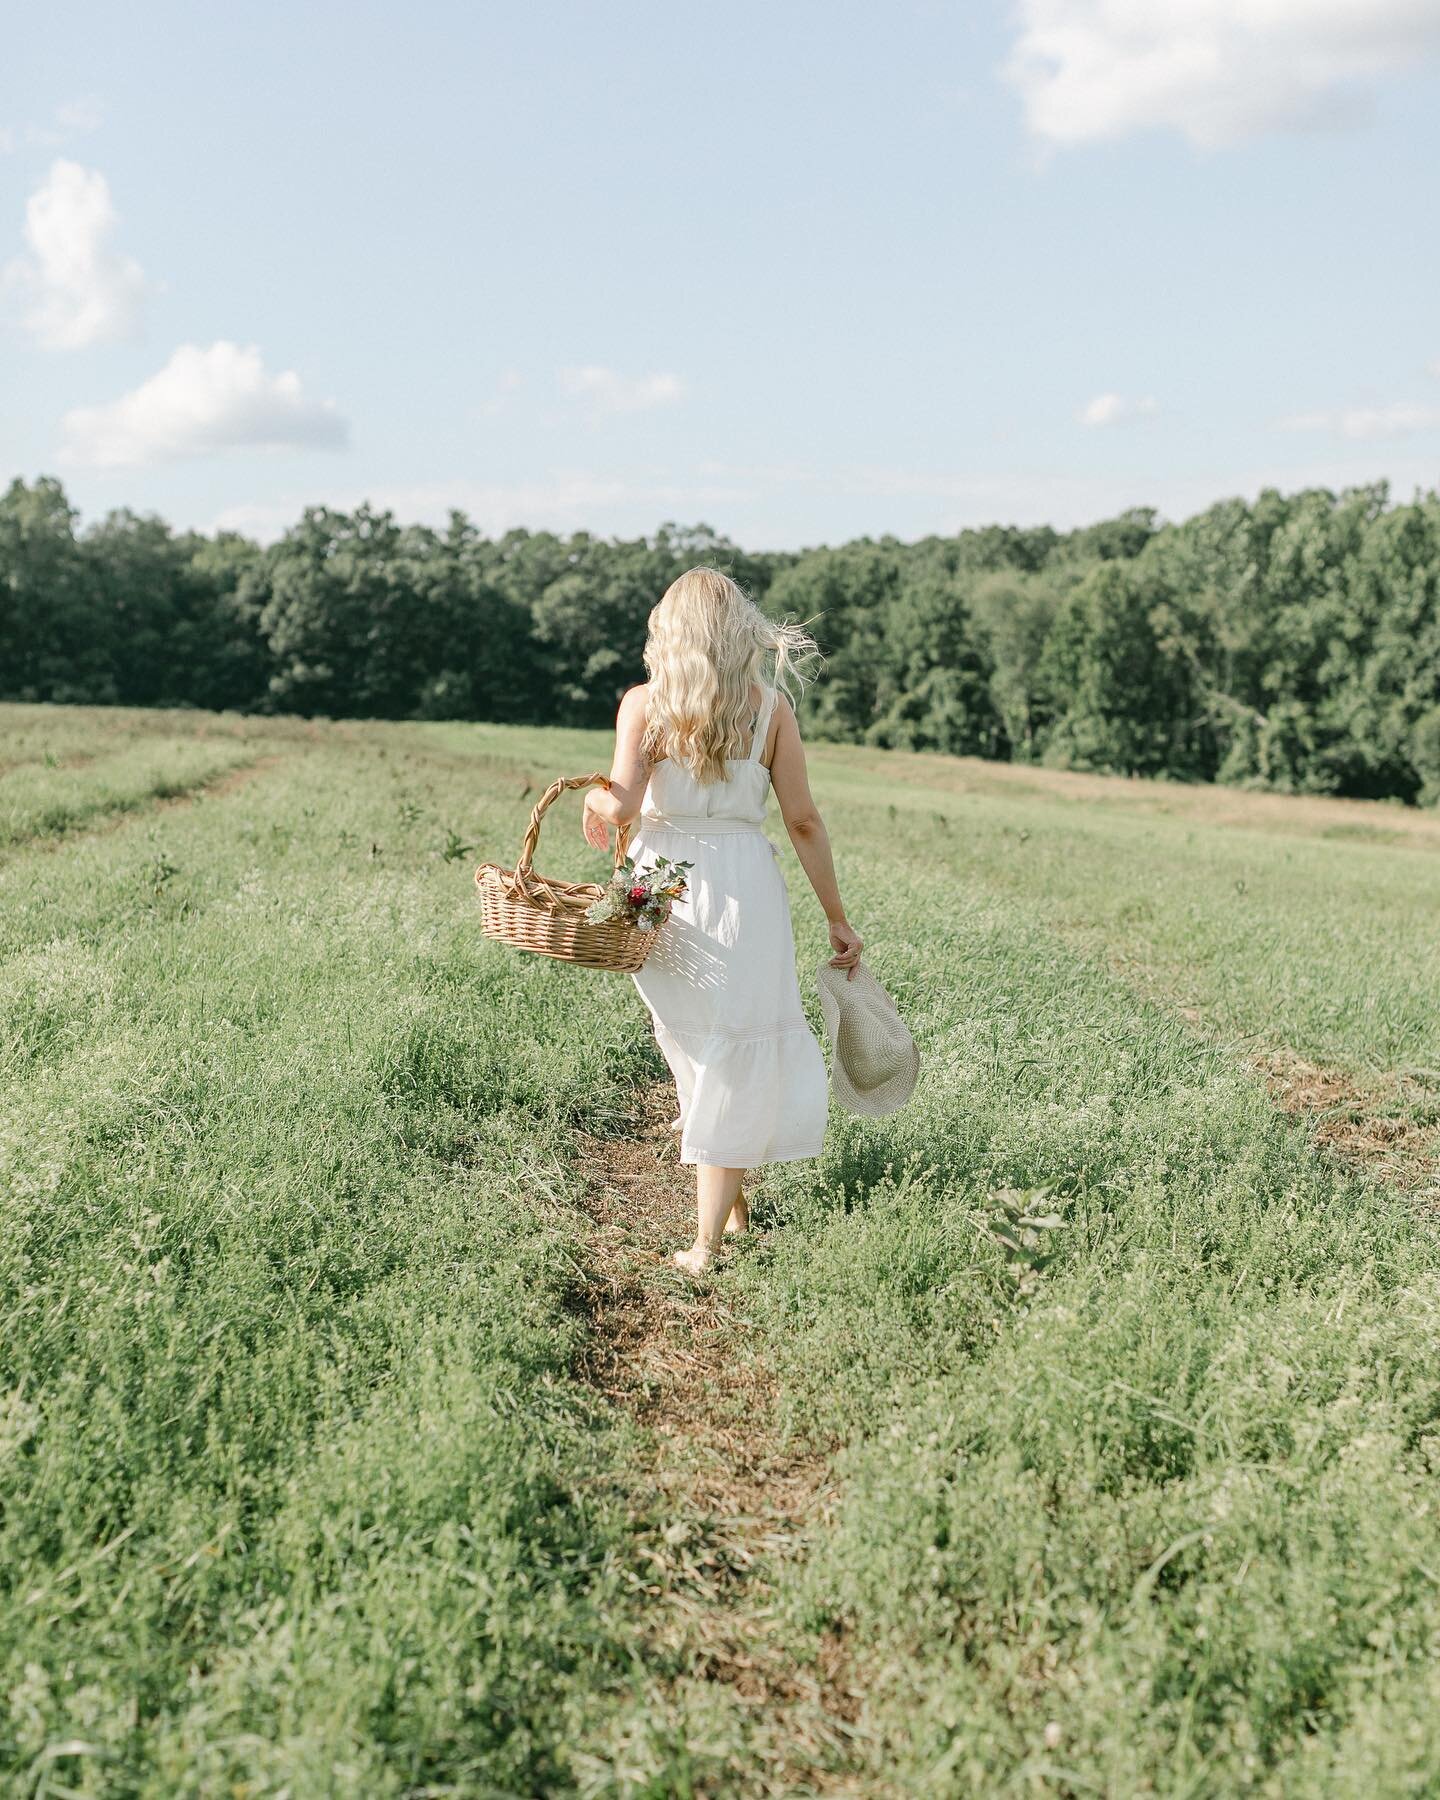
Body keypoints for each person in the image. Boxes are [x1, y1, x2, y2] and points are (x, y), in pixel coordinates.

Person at [582, 567, 863, 1274]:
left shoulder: (645, 705)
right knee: (725, 1045)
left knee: (704, 1043)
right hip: (742, 885)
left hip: (659, 888)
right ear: (740, 630)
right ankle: (727, 1215)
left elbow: (620, 804)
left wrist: (594, 805)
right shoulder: (769, 711)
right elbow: (801, 820)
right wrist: (836, 916)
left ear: (668, 630)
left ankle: (706, 1244)